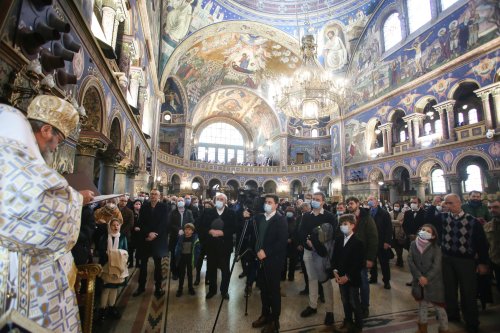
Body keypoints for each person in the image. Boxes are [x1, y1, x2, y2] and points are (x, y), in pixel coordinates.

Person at [0, 96, 94, 333]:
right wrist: (77, 199)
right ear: (45, 130)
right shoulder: (14, 158)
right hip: (21, 279)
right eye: (57, 141)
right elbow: (40, 214)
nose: (55, 148)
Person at [441, 194, 489, 333]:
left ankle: (471, 321)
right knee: (449, 289)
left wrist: (482, 263)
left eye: (450, 203)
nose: (447, 206)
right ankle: (452, 313)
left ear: (459, 203)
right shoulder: (443, 218)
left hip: (466, 260)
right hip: (447, 258)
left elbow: (482, 244)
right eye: (446, 203)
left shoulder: (472, 221)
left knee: (468, 292)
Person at [251, 194, 288, 333]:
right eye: (266, 202)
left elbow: (282, 241)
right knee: (264, 290)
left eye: (270, 202)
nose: (267, 204)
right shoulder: (260, 218)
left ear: (276, 205)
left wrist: (266, 251)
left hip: (273, 261)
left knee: (273, 291)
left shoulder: (280, 220)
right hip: (260, 260)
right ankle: (265, 315)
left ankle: (275, 321)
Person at [298, 192, 336, 325]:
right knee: (312, 279)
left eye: (317, 199)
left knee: (325, 281)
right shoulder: (306, 215)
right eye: (313, 199)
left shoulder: (329, 216)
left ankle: (329, 311)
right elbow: (301, 231)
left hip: (322, 254)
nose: (314, 201)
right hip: (308, 252)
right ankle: (312, 305)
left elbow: (332, 234)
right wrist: (307, 242)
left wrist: (318, 244)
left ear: (323, 202)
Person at [407, 224, 449, 333]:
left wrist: (427, 278)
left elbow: (437, 266)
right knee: (422, 305)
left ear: (433, 236)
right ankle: (422, 328)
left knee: (439, 308)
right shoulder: (413, 244)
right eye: (422, 229)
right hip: (419, 281)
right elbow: (410, 261)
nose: (424, 231)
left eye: (428, 231)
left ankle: (444, 329)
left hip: (433, 282)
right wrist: (419, 276)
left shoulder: (436, 248)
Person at [345, 196, 378, 318]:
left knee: (363, 282)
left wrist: (370, 258)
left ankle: (365, 306)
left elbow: (373, 238)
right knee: (351, 283)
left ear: (358, 204)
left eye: (352, 203)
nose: (349, 205)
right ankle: (354, 305)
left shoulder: (366, 218)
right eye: (348, 203)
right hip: (349, 256)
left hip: (362, 256)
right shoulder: (345, 218)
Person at [133, 189, 170, 298]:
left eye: (156, 194)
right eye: (152, 194)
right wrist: (148, 233)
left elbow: (164, 223)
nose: (153, 196)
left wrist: (155, 234)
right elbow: (141, 222)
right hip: (146, 238)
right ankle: (141, 287)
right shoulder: (144, 206)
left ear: (159, 196)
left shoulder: (163, 207)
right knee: (143, 265)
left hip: (157, 239)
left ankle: (158, 287)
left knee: (158, 265)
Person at [332, 214, 364, 333]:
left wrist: (347, 276)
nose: (342, 226)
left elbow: (358, 263)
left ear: (352, 225)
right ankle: (348, 320)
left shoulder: (358, 241)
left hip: (352, 278)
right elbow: (334, 257)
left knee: (354, 301)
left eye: (345, 224)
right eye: (341, 224)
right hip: (340, 276)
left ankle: (358, 325)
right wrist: (335, 271)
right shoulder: (339, 239)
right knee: (344, 300)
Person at [200, 193, 236, 299]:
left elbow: (234, 227)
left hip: (225, 246)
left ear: (225, 201)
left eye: (222, 199)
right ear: (215, 200)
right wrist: (209, 231)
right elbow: (202, 225)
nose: (219, 201)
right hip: (211, 246)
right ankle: (212, 290)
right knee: (211, 269)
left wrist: (223, 233)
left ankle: (224, 291)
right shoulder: (208, 212)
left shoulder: (231, 213)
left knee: (225, 271)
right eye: (218, 199)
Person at [97, 218, 129, 320]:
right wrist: (108, 255)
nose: (115, 227)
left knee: (114, 288)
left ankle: (111, 307)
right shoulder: (105, 237)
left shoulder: (123, 237)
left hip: (118, 266)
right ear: (109, 226)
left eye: (117, 225)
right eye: (113, 225)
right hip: (107, 265)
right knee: (106, 288)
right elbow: (101, 250)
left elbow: (126, 250)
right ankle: (102, 309)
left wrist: (119, 255)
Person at [367, 195, 393, 289]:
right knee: (372, 261)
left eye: (372, 199)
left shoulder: (384, 213)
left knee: (384, 263)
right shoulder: (368, 212)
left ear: (377, 202)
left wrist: (387, 242)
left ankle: (386, 281)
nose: (370, 201)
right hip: (371, 243)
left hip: (382, 241)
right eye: (369, 200)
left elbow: (389, 228)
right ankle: (373, 277)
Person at [169, 197, 194, 280]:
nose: (180, 202)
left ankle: (181, 271)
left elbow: (191, 222)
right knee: (174, 255)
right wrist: (178, 230)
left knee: (183, 255)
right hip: (175, 237)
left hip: (185, 237)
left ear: (184, 202)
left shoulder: (189, 212)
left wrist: (184, 230)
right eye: (178, 201)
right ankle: (174, 272)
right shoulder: (173, 212)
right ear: (176, 203)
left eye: (181, 201)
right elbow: (170, 224)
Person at [175, 223, 200, 297]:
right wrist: (177, 256)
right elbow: (177, 248)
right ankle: (180, 289)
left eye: (189, 229)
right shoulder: (181, 238)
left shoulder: (195, 239)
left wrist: (196, 259)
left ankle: (190, 288)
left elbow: (197, 250)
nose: (187, 231)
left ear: (192, 231)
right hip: (182, 258)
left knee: (190, 274)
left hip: (190, 259)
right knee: (181, 274)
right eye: (186, 229)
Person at [485, 199, 500, 293]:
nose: (492, 210)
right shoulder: (488, 226)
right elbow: (487, 245)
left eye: (496, 207)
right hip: (496, 261)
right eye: (489, 208)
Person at [282, 206, 298, 281]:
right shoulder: (282, 220)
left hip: (293, 244)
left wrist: (291, 239)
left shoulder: (296, 221)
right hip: (284, 244)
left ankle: (291, 276)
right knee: (283, 262)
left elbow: (297, 232)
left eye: (291, 212)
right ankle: (282, 276)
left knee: (293, 262)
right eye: (288, 212)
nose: (289, 213)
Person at [118, 196, 134, 267]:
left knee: (123, 251)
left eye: (125, 201)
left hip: (124, 234)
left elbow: (130, 224)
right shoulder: (115, 209)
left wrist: (121, 233)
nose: (123, 202)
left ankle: (123, 265)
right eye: (122, 200)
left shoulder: (129, 212)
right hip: (113, 233)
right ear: (119, 201)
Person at [390, 202, 405, 267]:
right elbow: (389, 221)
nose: (396, 207)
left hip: (399, 232)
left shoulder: (402, 214)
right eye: (395, 206)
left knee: (399, 248)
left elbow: (402, 224)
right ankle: (399, 260)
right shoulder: (390, 213)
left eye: (398, 206)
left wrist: (393, 221)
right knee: (395, 247)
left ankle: (400, 260)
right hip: (392, 232)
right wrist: (398, 222)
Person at [129, 199, 142, 267]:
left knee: (138, 249)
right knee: (131, 249)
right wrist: (134, 228)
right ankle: (131, 263)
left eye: (139, 204)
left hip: (139, 233)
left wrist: (140, 228)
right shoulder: (131, 212)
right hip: (132, 233)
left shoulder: (142, 213)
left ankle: (137, 263)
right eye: (136, 204)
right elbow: (129, 223)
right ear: (133, 205)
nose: (138, 205)